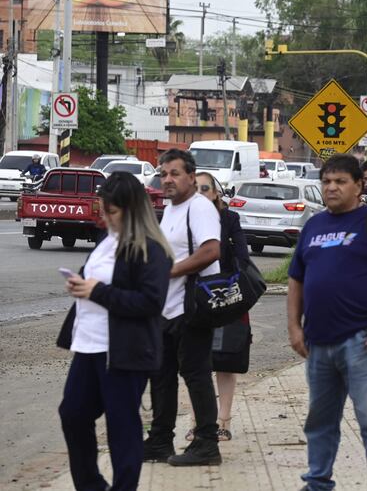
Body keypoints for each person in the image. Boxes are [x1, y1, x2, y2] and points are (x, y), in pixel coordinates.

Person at [287, 154, 367, 490]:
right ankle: (318, 481)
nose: (331, 187)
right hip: (318, 344)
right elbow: (296, 278)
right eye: (326, 181)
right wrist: (295, 327)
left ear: (359, 186)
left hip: (363, 341)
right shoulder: (313, 225)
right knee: (320, 422)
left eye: (340, 181)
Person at [57, 172, 173, 490]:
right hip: (88, 345)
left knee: (122, 427)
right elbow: (95, 280)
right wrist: (79, 283)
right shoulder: (106, 241)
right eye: (103, 210)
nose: (106, 217)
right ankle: (92, 485)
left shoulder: (150, 249)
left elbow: (151, 302)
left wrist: (96, 291)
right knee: (73, 414)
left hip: (124, 352)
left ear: (132, 209)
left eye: (112, 212)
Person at [143, 149, 223, 466]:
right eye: (164, 174)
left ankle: (207, 444)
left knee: (196, 374)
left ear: (191, 176)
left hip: (192, 309)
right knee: (161, 376)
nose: (168, 180)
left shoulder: (199, 207)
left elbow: (211, 251)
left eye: (175, 173)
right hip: (167, 308)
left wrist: (170, 271)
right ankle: (160, 441)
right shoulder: (172, 209)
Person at [186, 172, 252, 443]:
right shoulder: (183, 217)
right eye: (195, 189)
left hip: (227, 297)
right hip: (193, 299)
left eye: (205, 188)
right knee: (194, 363)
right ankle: (197, 422)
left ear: (216, 193)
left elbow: (243, 257)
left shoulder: (229, 219)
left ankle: (223, 421)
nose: (200, 193)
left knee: (226, 360)